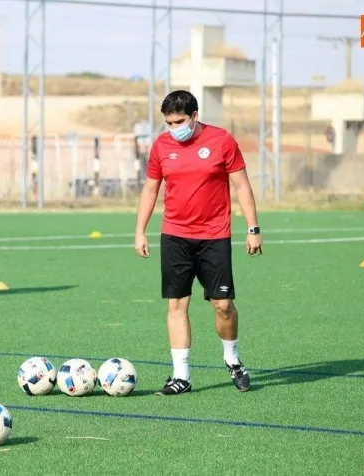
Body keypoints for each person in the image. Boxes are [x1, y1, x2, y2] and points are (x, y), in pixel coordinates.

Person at [134, 90, 263, 395]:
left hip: (214, 235)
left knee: (223, 305)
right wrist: (140, 231)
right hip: (175, 235)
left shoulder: (222, 140)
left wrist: (253, 228)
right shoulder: (161, 145)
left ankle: (232, 360)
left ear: (194, 116)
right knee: (176, 305)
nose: (173, 128)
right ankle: (181, 376)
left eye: (179, 121)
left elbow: (241, 185)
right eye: (168, 123)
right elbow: (150, 189)